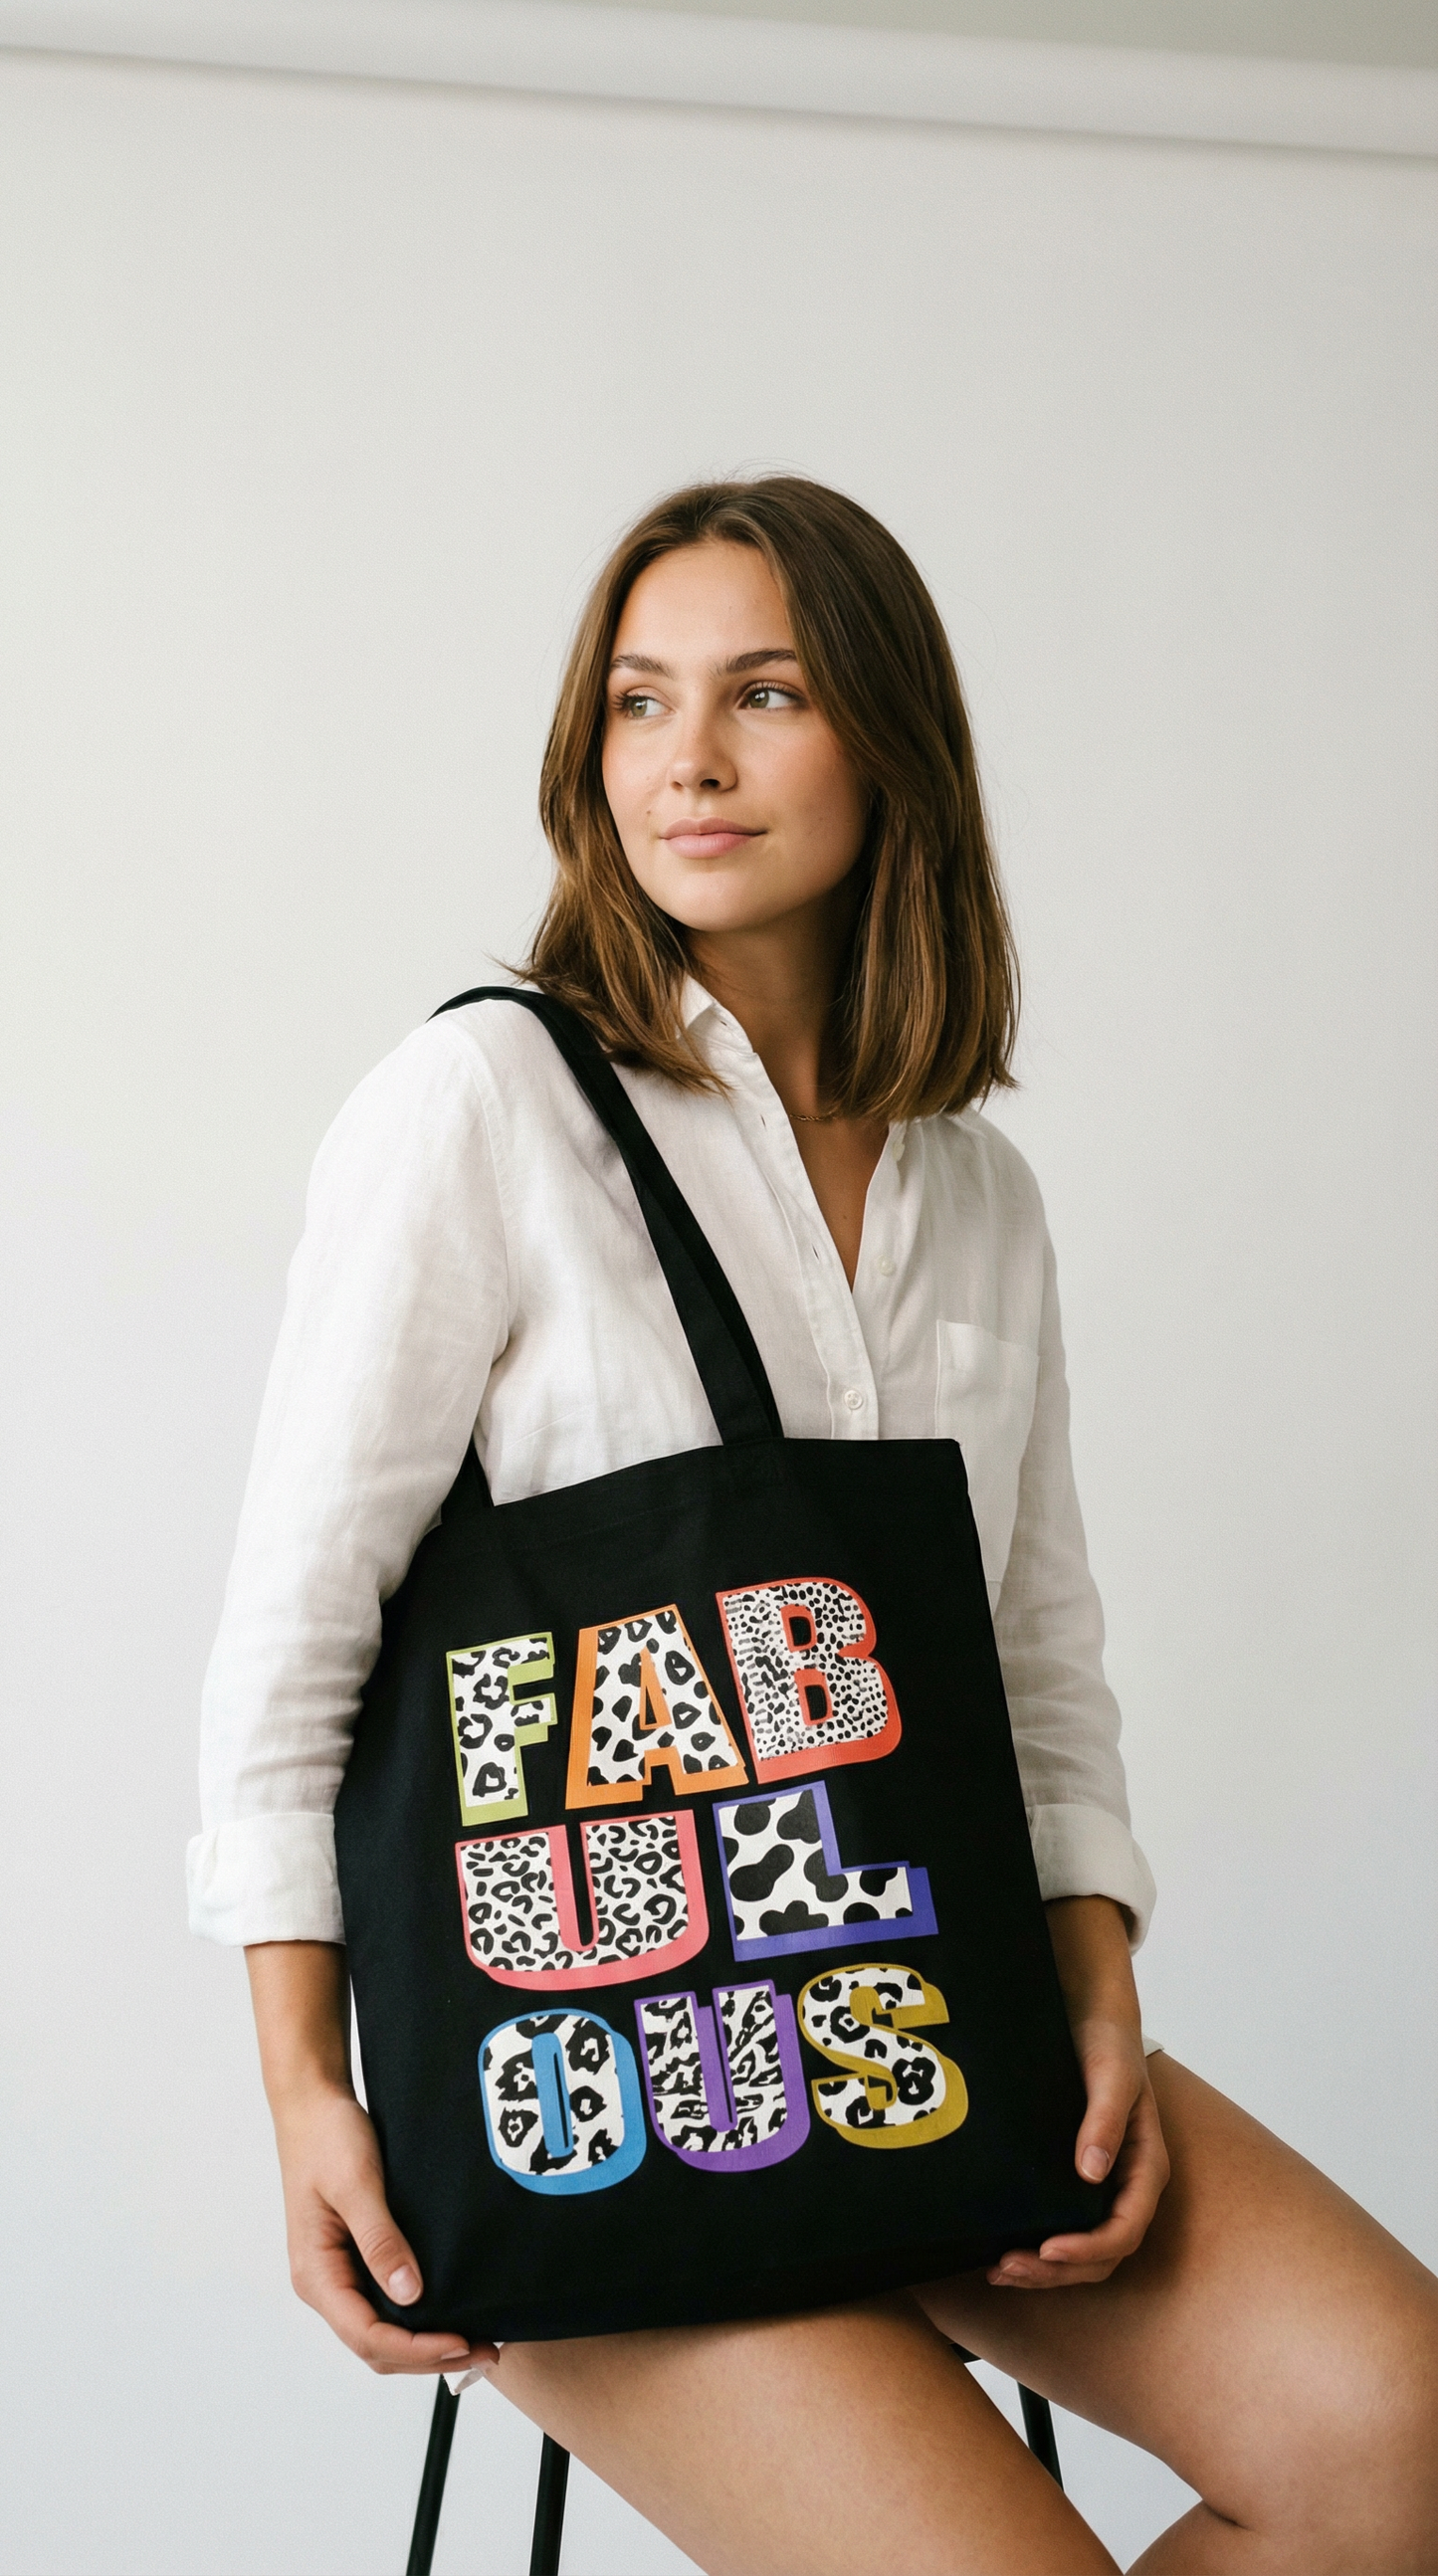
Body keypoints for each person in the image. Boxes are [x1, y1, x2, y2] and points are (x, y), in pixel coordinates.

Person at [190, 478, 1438, 2574]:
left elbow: (1032, 1657)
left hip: (925, 2005)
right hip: (596, 2064)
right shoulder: (483, 1110)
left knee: (1400, 2431)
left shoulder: (974, 1190)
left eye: (761, 694)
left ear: (888, 740)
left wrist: (1095, 1997)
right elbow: (295, 1634)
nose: (686, 757)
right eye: (638, 701)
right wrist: (308, 2094)